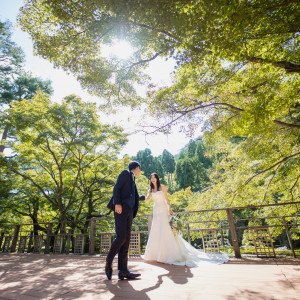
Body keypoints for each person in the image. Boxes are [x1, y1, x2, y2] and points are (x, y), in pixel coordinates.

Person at [143, 173, 229, 267]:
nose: (153, 179)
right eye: (151, 178)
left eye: (154, 177)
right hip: (156, 210)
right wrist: (143, 197)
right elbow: (147, 198)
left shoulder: (162, 187)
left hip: (163, 209)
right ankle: (156, 255)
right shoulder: (150, 189)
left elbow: (167, 199)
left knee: (165, 229)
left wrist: (170, 209)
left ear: (157, 178)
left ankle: (165, 255)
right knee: (156, 229)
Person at [106, 161, 145, 280]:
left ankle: (123, 271)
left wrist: (142, 198)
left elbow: (130, 196)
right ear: (137, 167)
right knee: (121, 237)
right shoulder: (125, 174)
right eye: (139, 169)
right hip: (121, 209)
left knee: (126, 241)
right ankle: (108, 261)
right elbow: (116, 188)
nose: (139, 172)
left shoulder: (133, 181)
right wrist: (117, 203)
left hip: (130, 212)